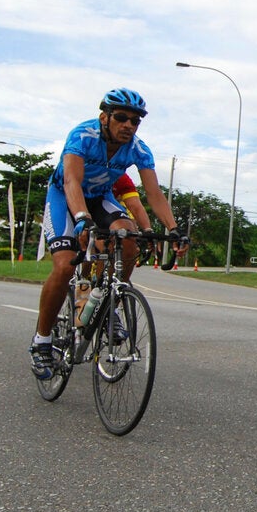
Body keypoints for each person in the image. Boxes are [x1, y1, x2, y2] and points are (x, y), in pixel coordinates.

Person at [29, 88, 186, 380]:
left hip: (100, 197)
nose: (129, 125)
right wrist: (82, 219)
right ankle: (42, 340)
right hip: (65, 197)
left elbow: (153, 193)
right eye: (122, 118)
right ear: (105, 117)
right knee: (64, 266)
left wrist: (174, 229)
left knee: (129, 240)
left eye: (135, 121)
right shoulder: (83, 136)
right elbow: (72, 181)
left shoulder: (139, 149)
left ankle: (108, 301)